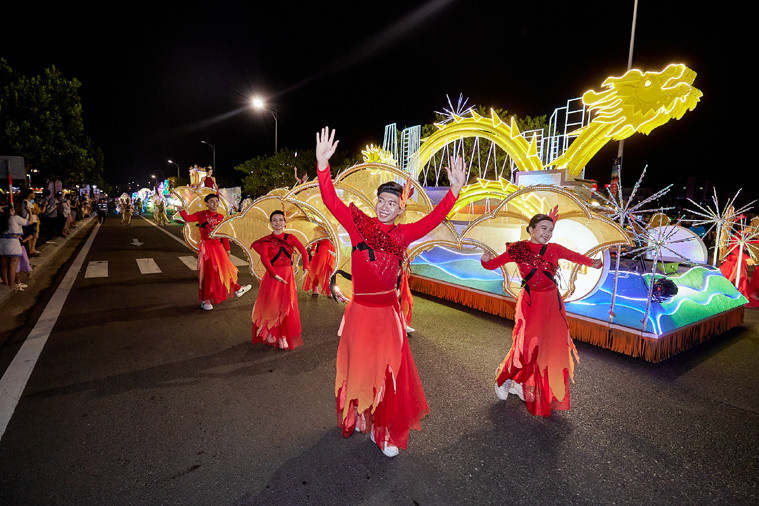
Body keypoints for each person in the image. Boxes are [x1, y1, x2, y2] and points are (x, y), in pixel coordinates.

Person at [315, 126, 466, 457]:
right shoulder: (358, 225)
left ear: (401, 208)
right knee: (359, 368)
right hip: (358, 314)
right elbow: (331, 200)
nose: (384, 207)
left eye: (391, 203)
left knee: (389, 372)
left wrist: (454, 191)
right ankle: (360, 416)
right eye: (381, 201)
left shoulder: (405, 234)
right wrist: (323, 167)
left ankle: (383, 431)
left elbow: (436, 218)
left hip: (388, 316)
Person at [480, 212, 602, 418]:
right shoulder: (518, 250)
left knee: (547, 348)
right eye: (543, 228)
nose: (548, 233)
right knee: (527, 346)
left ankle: (520, 382)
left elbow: (574, 256)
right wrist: (485, 260)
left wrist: (593, 263)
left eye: (551, 230)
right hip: (531, 303)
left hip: (552, 304)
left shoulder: (554, 249)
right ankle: (504, 378)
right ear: (531, 229)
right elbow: (492, 264)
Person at [177, 193, 251, 310]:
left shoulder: (221, 217)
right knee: (208, 274)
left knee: (226, 270)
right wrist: (182, 211)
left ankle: (237, 289)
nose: (215, 203)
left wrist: (227, 249)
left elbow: (224, 234)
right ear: (206, 203)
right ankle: (205, 300)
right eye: (212, 201)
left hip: (219, 248)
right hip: (207, 248)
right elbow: (187, 218)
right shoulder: (201, 215)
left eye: (217, 201)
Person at [250, 210, 309, 350]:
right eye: (275, 220)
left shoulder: (291, 237)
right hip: (273, 276)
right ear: (271, 223)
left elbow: (304, 251)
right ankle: (271, 331)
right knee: (272, 305)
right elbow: (264, 258)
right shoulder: (266, 240)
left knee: (286, 305)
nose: (278, 222)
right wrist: (274, 274)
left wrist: (306, 267)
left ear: (285, 222)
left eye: (281, 220)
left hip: (288, 276)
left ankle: (282, 335)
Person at [0, 205, 28, 291]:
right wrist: (30, 212)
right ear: (10, 211)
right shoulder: (14, 218)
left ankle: (6, 282)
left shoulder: (0, 219)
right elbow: (28, 222)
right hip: (13, 245)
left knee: (3, 267)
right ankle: (11, 285)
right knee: (12, 267)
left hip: (2, 244)